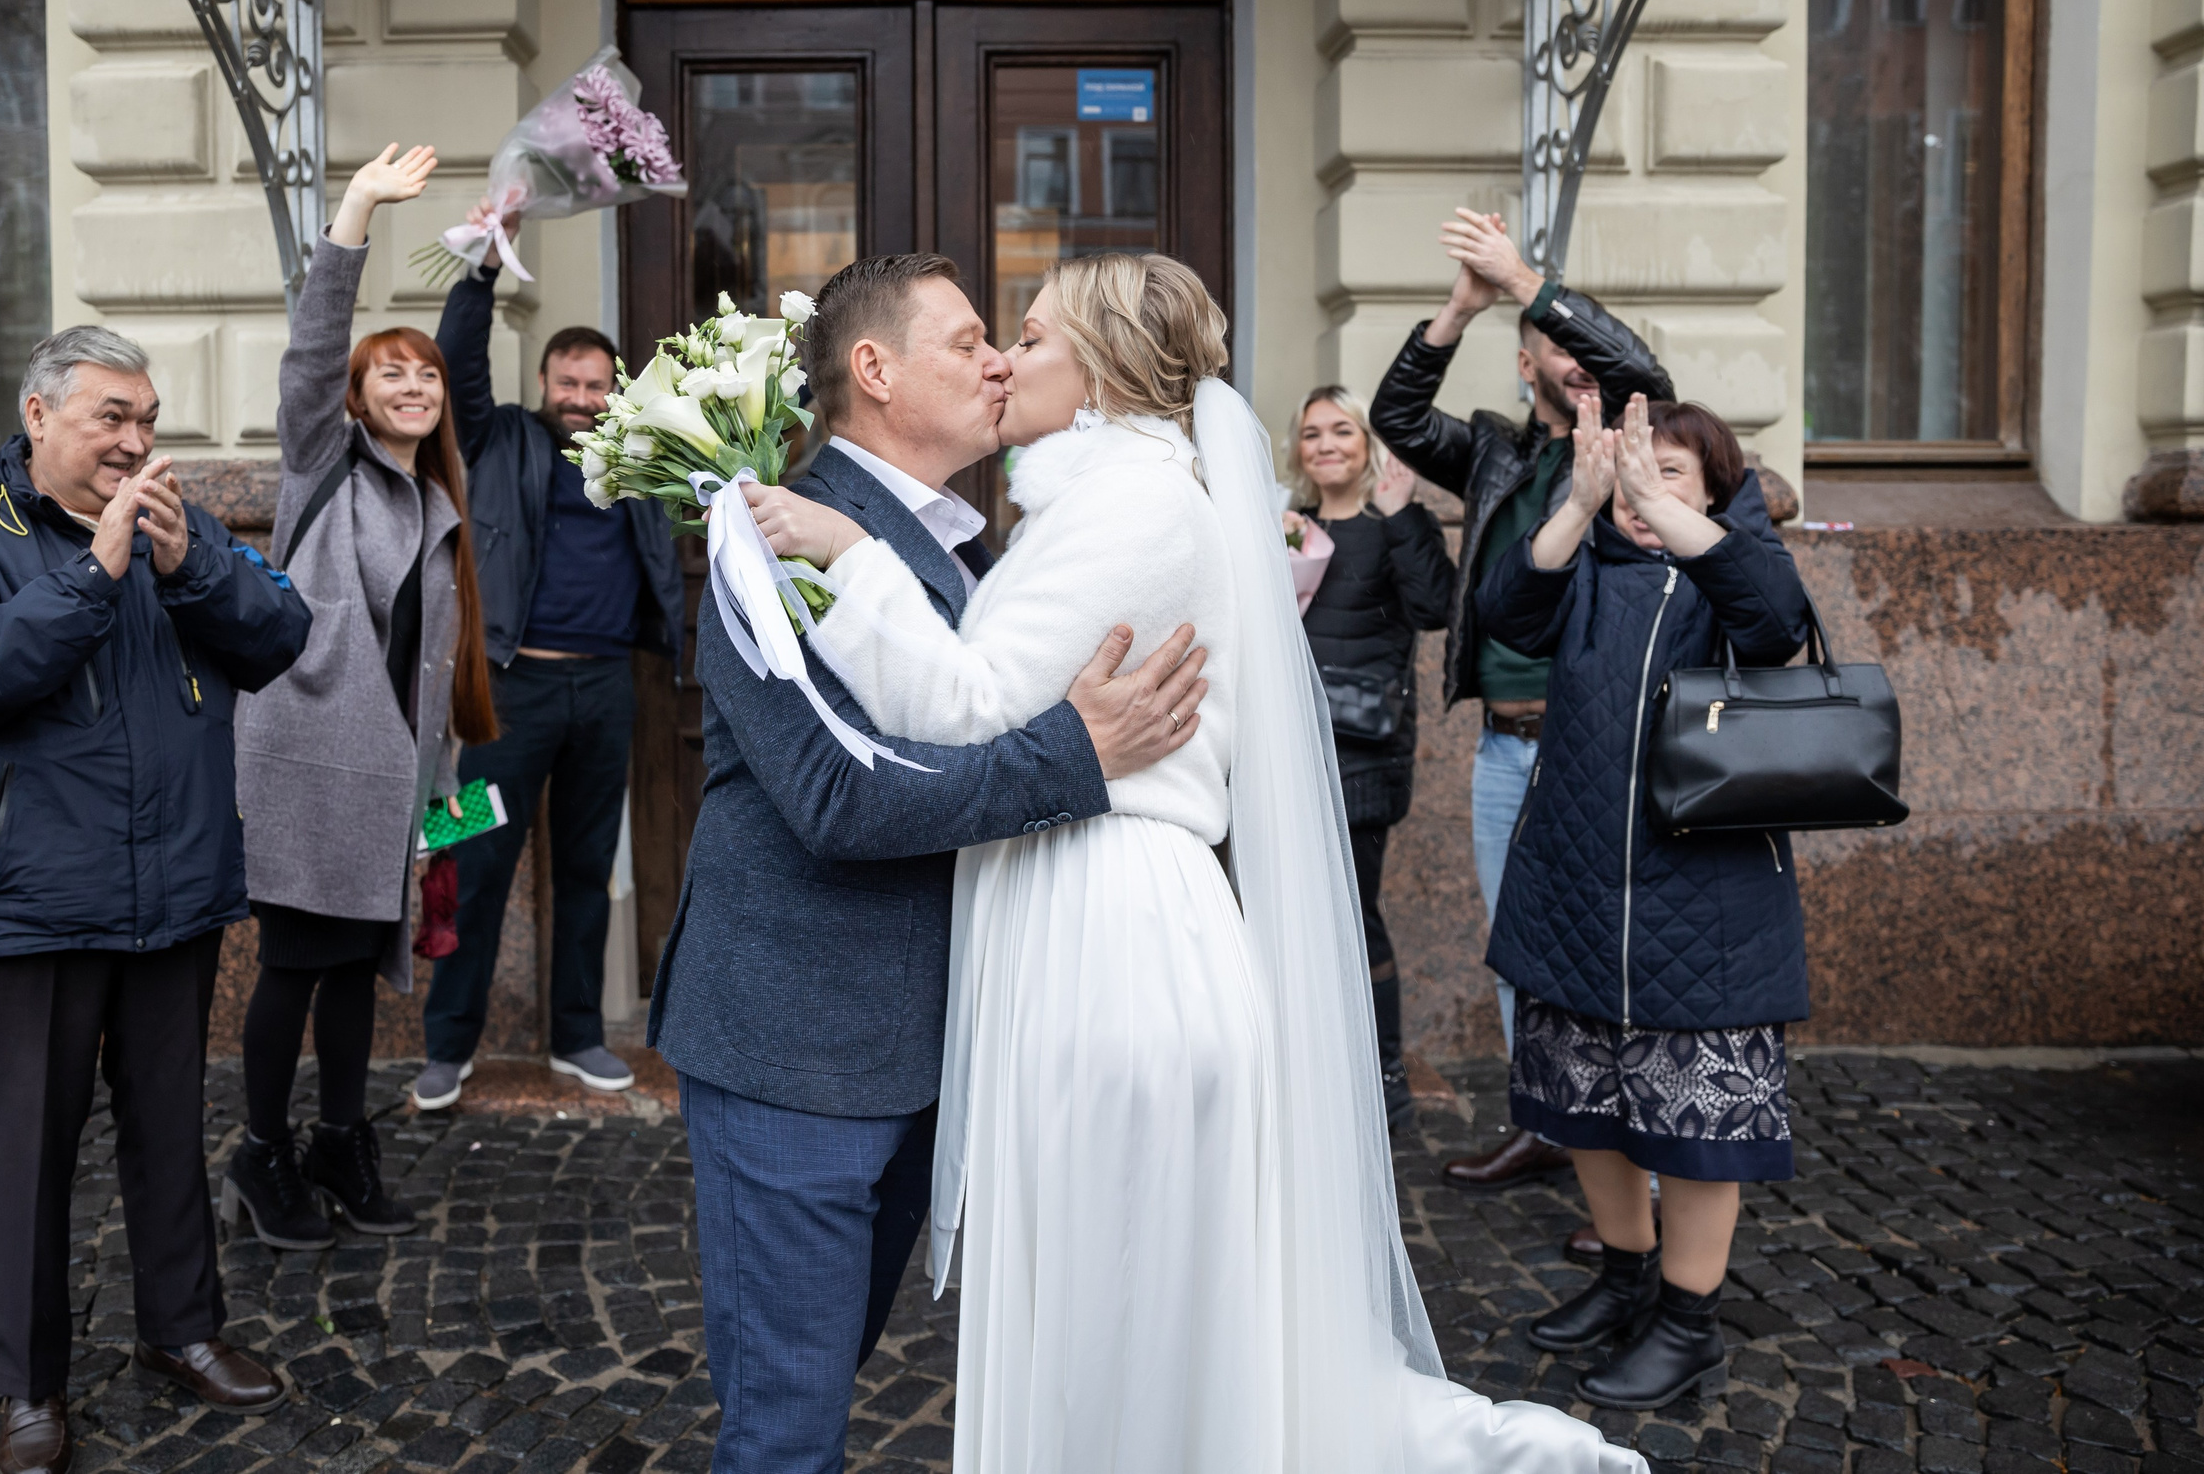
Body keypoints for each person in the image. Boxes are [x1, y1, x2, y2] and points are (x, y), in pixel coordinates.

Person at [751, 253, 1643, 1474]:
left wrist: (846, 555)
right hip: (1102, 909)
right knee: (1135, 1300)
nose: (1009, 359)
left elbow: (963, 709)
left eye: (1032, 335)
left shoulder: (1131, 506)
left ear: (1109, 366)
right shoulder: (1121, 498)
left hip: (1101, 927)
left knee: (1115, 1304)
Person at [648, 252, 1223, 1474]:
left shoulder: (962, 551)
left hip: (920, 1051)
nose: (1000, 360)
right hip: (798, 1046)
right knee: (787, 1421)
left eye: (1004, 338)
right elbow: (838, 800)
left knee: (833, 1368)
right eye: (968, 341)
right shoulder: (777, 537)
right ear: (874, 369)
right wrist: (1077, 755)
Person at [0, 328, 312, 1474]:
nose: (136, 441)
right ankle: (28, 1390)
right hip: (33, 903)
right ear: (37, 415)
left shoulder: (187, 528)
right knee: (28, 1154)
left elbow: (283, 636)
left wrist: (191, 569)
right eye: (110, 416)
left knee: (170, 1131)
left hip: (174, 890)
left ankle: (182, 1331)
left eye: (148, 419)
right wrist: (92, 575)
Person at [1475, 393, 1809, 1409]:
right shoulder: (1582, 571)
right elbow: (1504, 613)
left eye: (1671, 471)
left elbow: (1778, 626)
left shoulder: (1733, 576)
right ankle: (1623, 1278)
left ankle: (1687, 1320)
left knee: (1697, 1126)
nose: (1643, 488)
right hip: (1575, 892)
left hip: (1703, 906)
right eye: (1632, 465)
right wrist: (1579, 502)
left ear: (1714, 490)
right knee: (1587, 1111)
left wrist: (1662, 511)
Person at [1370, 206, 1676, 1196]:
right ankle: (1548, 1124)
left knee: (1613, 951)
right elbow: (1400, 421)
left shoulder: (1632, 437)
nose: (1575, 354)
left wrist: (1527, 283)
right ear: (1525, 366)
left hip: (1597, 743)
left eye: (1582, 338)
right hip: (1504, 749)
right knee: (1520, 950)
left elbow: (1635, 365)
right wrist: (1461, 309)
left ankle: (1643, 1163)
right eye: (1552, 345)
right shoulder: (1500, 454)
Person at [225, 142, 498, 1248]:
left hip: (390, 782)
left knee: (352, 978)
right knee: (293, 970)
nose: (414, 385)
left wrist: (443, 796)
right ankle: (259, 1154)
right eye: (391, 371)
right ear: (354, 394)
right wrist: (356, 212)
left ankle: (340, 1142)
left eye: (426, 374)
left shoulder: (437, 511)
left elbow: (433, 679)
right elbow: (308, 346)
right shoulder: (320, 459)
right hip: (306, 770)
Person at [416, 199, 689, 1105]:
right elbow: (456, 368)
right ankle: (444, 1044)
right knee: (466, 859)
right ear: (543, 383)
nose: (580, 399)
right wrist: (485, 266)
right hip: (504, 690)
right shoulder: (504, 442)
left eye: (595, 385)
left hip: (607, 692)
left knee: (585, 866)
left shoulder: (640, 458)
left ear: (615, 390)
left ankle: (576, 1036)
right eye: (566, 383)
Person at [1282, 386, 1455, 1129]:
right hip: (1292, 745)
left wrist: (1408, 511)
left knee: (1358, 914)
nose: (1325, 444)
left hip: (1364, 753)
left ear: (1366, 445)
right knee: (1295, 913)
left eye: (1341, 431)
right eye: (1312, 432)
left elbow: (1436, 606)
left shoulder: (1393, 528)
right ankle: (1311, 1064)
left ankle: (1385, 1072)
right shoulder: (1289, 529)